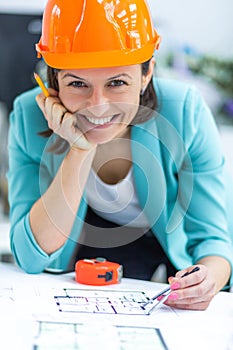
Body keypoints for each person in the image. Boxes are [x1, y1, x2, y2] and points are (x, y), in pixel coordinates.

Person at [7, 0, 233, 311]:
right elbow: (30, 256)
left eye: (117, 83)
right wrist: (80, 147)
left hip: (167, 236)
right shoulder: (27, 115)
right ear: (53, 82)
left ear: (146, 74)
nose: (97, 105)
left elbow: (213, 241)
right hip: (89, 232)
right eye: (77, 83)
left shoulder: (185, 111)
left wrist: (208, 279)